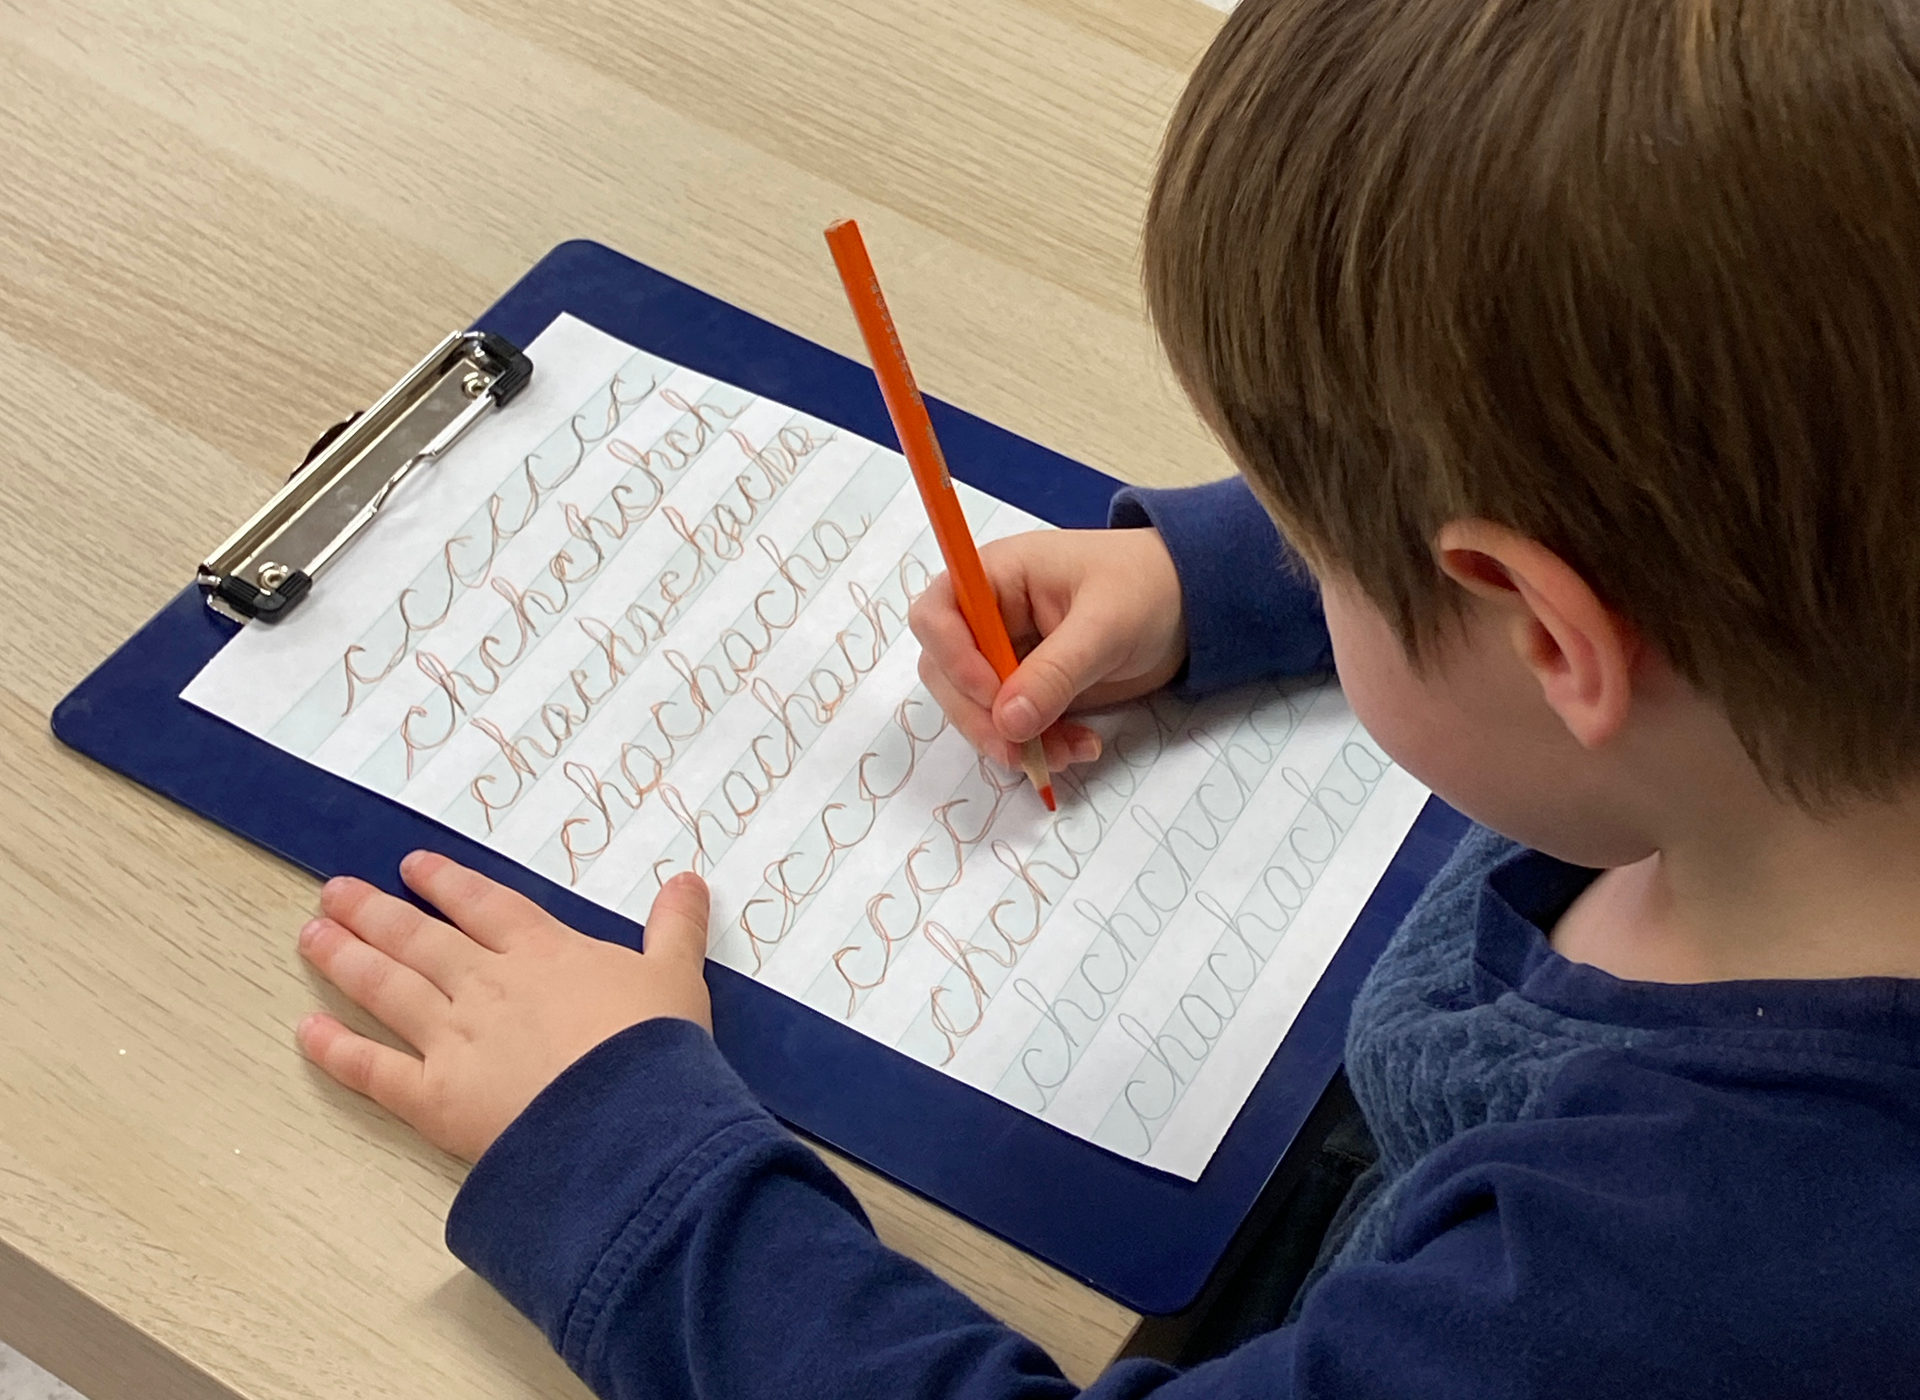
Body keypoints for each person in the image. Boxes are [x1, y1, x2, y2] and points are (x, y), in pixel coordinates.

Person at [289, 0, 1920, 1394]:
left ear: (1547, 632)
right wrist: (1219, 579)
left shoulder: (1657, 1286)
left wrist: (627, 1165)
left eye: (1312, 530)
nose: (1294, 547)